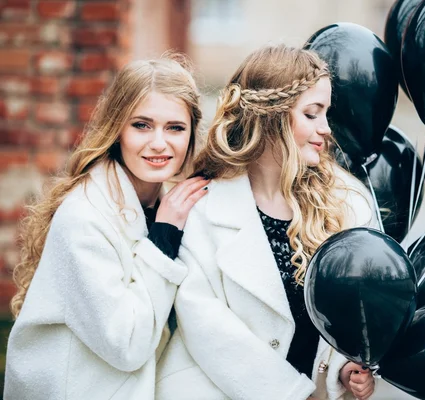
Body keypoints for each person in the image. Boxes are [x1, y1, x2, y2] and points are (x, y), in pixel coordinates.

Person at [155, 45, 377, 400]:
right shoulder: (203, 206)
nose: (325, 129)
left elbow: (352, 312)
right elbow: (205, 324)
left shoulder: (347, 204)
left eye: (326, 114)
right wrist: (289, 393)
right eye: (311, 114)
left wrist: (345, 369)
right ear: (272, 116)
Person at [4, 54, 210, 400]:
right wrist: (162, 239)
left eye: (175, 127)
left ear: (190, 134)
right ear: (117, 129)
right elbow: (126, 344)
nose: (159, 143)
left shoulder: (170, 205)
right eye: (141, 125)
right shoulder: (84, 217)